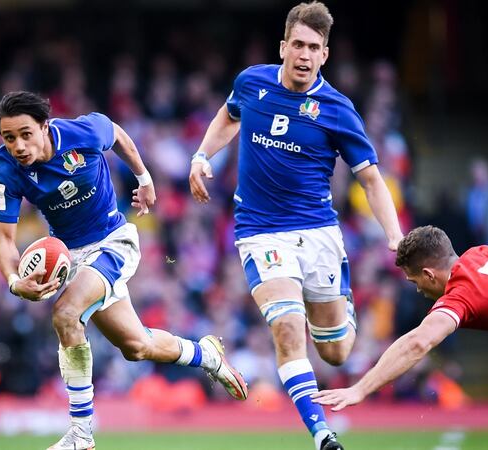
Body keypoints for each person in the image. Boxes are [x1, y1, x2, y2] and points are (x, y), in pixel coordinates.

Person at [188, 2, 402, 450]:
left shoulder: (338, 110)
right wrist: (203, 155)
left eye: (314, 48)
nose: (305, 55)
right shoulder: (252, 83)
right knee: (287, 329)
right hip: (260, 232)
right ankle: (322, 433)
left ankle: (342, 305)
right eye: (298, 45)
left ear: (325, 55)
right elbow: (228, 115)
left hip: (318, 233)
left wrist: (394, 235)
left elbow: (370, 179)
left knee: (335, 352)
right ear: (283, 47)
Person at [0, 91, 248, 450]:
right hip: (73, 257)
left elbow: (118, 135)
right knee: (137, 346)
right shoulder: (7, 166)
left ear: (45, 127)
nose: (18, 145)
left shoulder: (82, 132)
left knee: (66, 313)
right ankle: (207, 355)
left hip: (113, 241)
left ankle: (81, 433)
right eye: (9, 137)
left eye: (25, 134)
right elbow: (5, 239)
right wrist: (14, 281)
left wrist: (144, 178)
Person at [312, 225, 488, 411]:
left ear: (429, 274)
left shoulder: (463, 294)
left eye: (414, 281)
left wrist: (360, 389)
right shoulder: (481, 253)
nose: (418, 289)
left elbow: (417, 343)